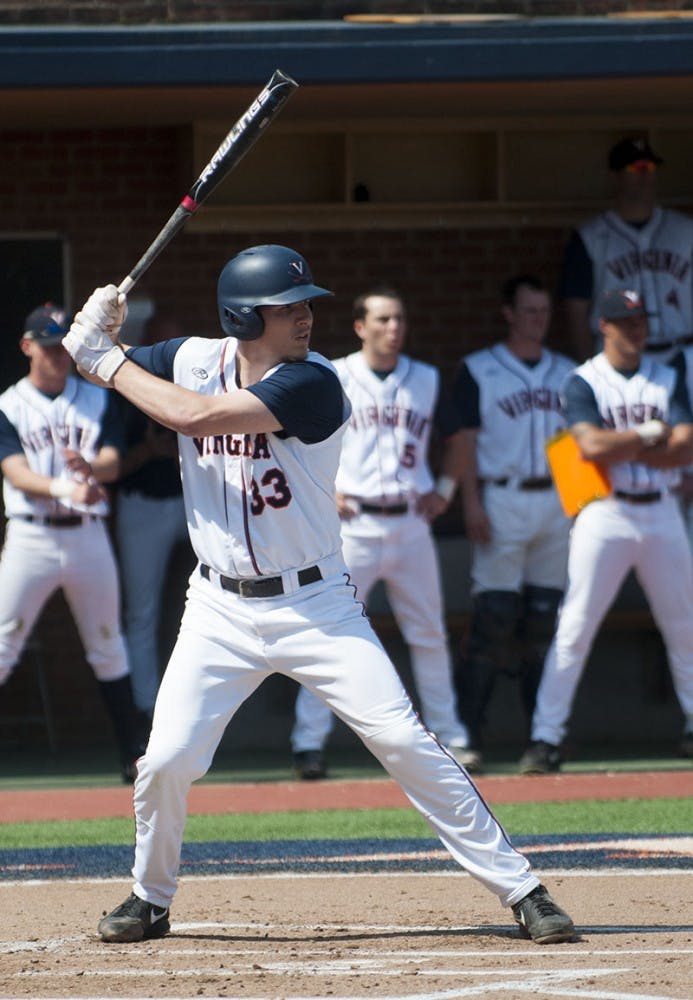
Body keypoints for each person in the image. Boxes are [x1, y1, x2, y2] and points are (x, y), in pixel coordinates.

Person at [61, 244, 575, 946]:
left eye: (306, 305)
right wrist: (101, 334)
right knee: (166, 761)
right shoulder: (192, 357)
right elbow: (130, 370)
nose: (306, 317)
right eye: (288, 308)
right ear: (244, 317)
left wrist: (105, 360)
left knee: (401, 737)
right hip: (217, 608)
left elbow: (192, 417)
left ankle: (522, 888)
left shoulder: (313, 382)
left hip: (315, 604)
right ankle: (150, 898)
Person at [290, 286, 476, 780]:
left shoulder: (427, 379)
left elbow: (459, 439)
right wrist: (320, 492)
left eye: (398, 320)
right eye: (383, 320)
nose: (393, 329)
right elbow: (292, 440)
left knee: (429, 632)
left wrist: (448, 488)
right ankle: (308, 744)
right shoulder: (333, 374)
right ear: (360, 327)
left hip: (411, 520)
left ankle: (451, 735)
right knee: (327, 634)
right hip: (352, 525)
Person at [519, 287, 693, 774]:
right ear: (605, 325)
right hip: (605, 512)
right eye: (625, 321)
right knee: (574, 627)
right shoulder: (583, 380)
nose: (635, 329)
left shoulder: (666, 374)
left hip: (660, 509)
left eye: (640, 321)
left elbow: (686, 447)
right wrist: (648, 435)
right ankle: (545, 738)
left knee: (685, 626)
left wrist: (632, 446)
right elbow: (591, 445)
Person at [0, 303, 145, 782]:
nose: (57, 356)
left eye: (63, 346)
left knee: (108, 644)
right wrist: (68, 486)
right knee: (3, 644)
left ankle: (132, 755)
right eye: (47, 347)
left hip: (87, 537)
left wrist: (91, 470)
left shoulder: (96, 398)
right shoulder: (8, 404)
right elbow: (16, 473)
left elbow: (111, 460)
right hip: (31, 535)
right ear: (26, 347)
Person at [450, 275, 574, 769]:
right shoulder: (481, 369)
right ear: (509, 314)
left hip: (554, 502)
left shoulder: (567, 371)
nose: (537, 320)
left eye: (543, 311)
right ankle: (468, 736)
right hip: (501, 497)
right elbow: (465, 442)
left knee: (544, 622)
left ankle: (541, 740)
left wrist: (576, 506)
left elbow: (572, 444)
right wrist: (472, 504)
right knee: (493, 621)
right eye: (529, 311)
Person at [114, 311, 192, 721]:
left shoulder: (198, 387)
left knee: (229, 597)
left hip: (195, 506)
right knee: (141, 613)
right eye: (159, 346)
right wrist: (150, 451)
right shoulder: (126, 390)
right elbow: (108, 467)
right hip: (142, 504)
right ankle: (147, 710)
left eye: (173, 346)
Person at [559, 135, 693, 363]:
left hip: (683, 353)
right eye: (636, 167)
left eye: (650, 167)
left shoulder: (685, 230)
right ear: (615, 176)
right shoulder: (590, 237)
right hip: (619, 361)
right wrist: (589, 367)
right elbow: (576, 312)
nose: (645, 175)